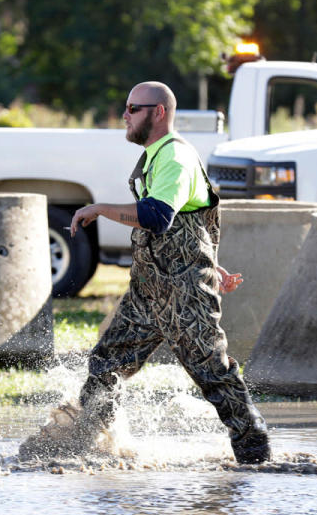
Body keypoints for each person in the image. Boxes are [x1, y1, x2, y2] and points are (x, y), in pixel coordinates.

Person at [64, 81, 270, 464]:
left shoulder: (175, 157)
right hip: (149, 289)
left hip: (183, 292)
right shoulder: (156, 156)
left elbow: (158, 217)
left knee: (213, 374)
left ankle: (257, 457)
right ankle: (88, 448)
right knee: (106, 364)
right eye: (125, 107)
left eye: (133, 108)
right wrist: (212, 259)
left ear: (158, 112)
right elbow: (198, 218)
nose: (124, 115)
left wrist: (100, 208)